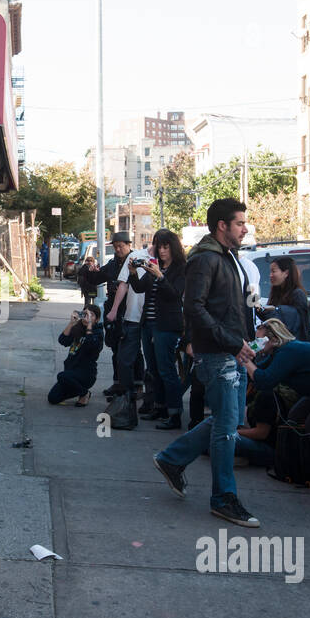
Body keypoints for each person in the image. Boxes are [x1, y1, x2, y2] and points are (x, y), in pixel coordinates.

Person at [152, 198, 260, 529]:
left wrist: (247, 341)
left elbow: (233, 308)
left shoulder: (229, 258)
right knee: (227, 430)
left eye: (244, 223)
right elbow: (194, 308)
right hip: (218, 354)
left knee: (226, 423)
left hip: (233, 352)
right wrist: (231, 342)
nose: (245, 228)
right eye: (239, 223)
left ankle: (171, 460)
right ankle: (223, 498)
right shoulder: (206, 259)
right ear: (222, 226)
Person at [128, 229, 187, 428]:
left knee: (167, 369)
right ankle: (160, 407)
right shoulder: (156, 266)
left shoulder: (180, 269)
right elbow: (139, 288)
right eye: (158, 247)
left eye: (165, 247)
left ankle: (174, 413)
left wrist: (161, 277)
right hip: (149, 324)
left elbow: (174, 295)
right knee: (153, 369)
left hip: (167, 325)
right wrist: (133, 273)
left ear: (173, 247)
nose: (161, 251)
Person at [246, 318, 310, 397]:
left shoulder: (289, 351)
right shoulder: (281, 350)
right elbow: (259, 369)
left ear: (274, 339)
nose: (257, 345)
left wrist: (244, 359)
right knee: (295, 417)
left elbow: (265, 381)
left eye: (260, 341)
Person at [104, 232, 149, 402]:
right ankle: (121, 386)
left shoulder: (137, 258)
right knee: (118, 351)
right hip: (120, 314)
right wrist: (88, 273)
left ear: (129, 245)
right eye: (115, 246)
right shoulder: (113, 263)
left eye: (121, 245)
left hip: (135, 313)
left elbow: (130, 285)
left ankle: (137, 387)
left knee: (135, 353)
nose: (118, 249)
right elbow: (101, 276)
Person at [48, 305, 104, 406]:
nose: (88, 317)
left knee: (61, 376)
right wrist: (71, 323)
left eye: (92, 315)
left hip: (86, 374)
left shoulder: (98, 332)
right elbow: (63, 341)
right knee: (53, 398)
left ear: (98, 319)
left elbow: (90, 346)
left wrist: (89, 326)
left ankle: (84, 393)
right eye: (86, 314)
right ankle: (82, 391)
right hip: (71, 374)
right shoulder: (78, 328)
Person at [256, 257, 310, 342]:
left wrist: (275, 311)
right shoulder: (276, 293)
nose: (270, 275)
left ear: (286, 273)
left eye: (273, 271)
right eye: (270, 272)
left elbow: (298, 325)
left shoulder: (298, 294)